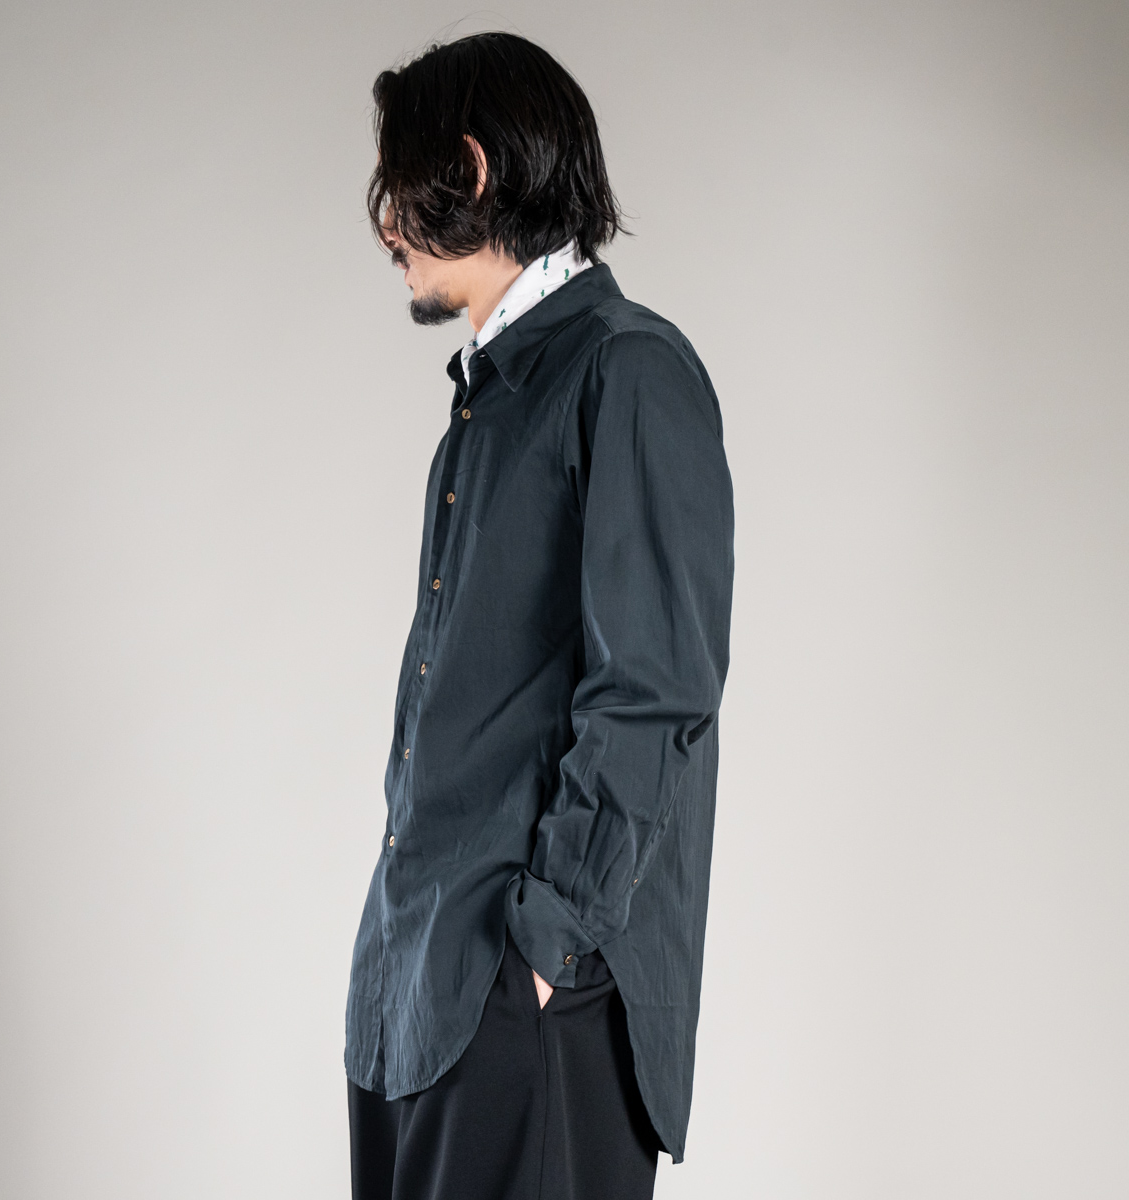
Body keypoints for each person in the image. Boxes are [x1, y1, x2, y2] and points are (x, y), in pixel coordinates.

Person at [344, 31, 735, 1200]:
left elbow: (655, 687)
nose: (386, 229)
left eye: (397, 189)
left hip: (525, 1005)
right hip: (419, 997)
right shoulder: (487, 408)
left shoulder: (628, 373)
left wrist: (550, 945)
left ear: (467, 169)